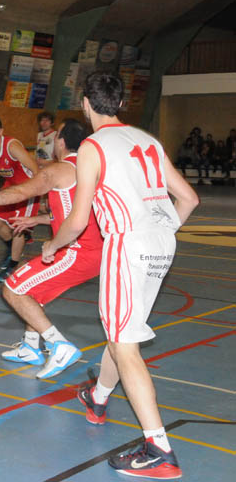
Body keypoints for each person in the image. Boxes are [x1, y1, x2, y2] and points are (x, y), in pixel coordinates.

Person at [43, 73, 198, 479]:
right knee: (121, 333)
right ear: (120, 104)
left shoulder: (93, 146)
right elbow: (189, 198)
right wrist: (160, 233)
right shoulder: (147, 140)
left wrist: (52, 245)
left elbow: (78, 221)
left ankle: (159, 448)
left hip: (128, 246)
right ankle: (97, 398)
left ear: (86, 104)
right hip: (162, 244)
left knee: (124, 344)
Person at [0, 119, 102, 378]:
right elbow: (80, 213)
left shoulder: (60, 170)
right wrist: (38, 219)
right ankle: (31, 347)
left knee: (12, 289)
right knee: (31, 292)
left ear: (61, 142)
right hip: (91, 250)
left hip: (76, 251)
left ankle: (58, 344)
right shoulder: (90, 169)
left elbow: (20, 192)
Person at [0, 117, 40, 282]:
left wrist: (41, 193)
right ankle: (13, 249)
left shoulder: (12, 146)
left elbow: (35, 169)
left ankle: (13, 266)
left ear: (1, 131)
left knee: (19, 226)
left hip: (28, 188)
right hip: (11, 187)